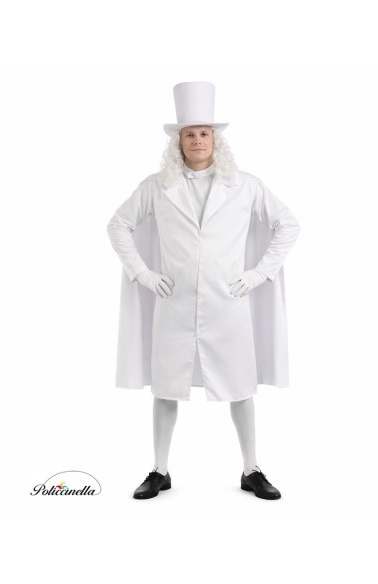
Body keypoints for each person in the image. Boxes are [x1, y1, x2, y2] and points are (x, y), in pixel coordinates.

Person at [107, 81, 301, 500]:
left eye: (204, 133)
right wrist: (143, 274)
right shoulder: (156, 186)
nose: (197, 140)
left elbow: (288, 225)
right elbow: (118, 225)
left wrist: (258, 274)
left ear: (216, 139)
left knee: (241, 387)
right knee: (165, 387)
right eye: (190, 134)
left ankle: (251, 468)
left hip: (228, 304)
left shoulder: (245, 185)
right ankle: (159, 470)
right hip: (173, 304)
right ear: (178, 141)